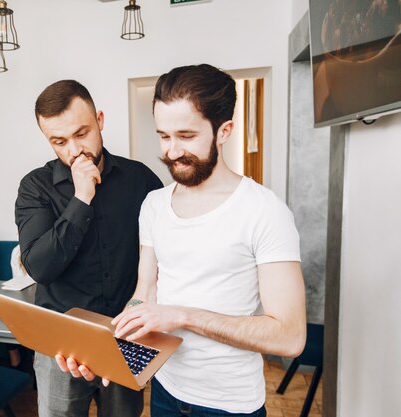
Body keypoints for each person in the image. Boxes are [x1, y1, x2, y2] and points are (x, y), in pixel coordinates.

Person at [66, 64, 307, 416]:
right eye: (164, 136)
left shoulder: (265, 211)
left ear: (224, 131)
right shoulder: (154, 205)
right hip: (165, 392)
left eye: (186, 135)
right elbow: (143, 296)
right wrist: (107, 351)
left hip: (230, 405)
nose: (173, 151)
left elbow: (289, 336)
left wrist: (182, 316)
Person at [15, 79, 163, 417]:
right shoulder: (34, 188)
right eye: (59, 141)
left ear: (100, 119)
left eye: (81, 133)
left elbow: (163, 256)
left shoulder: (141, 179)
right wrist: (82, 198)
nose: (74, 150)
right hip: (60, 345)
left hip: (125, 337)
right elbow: (40, 267)